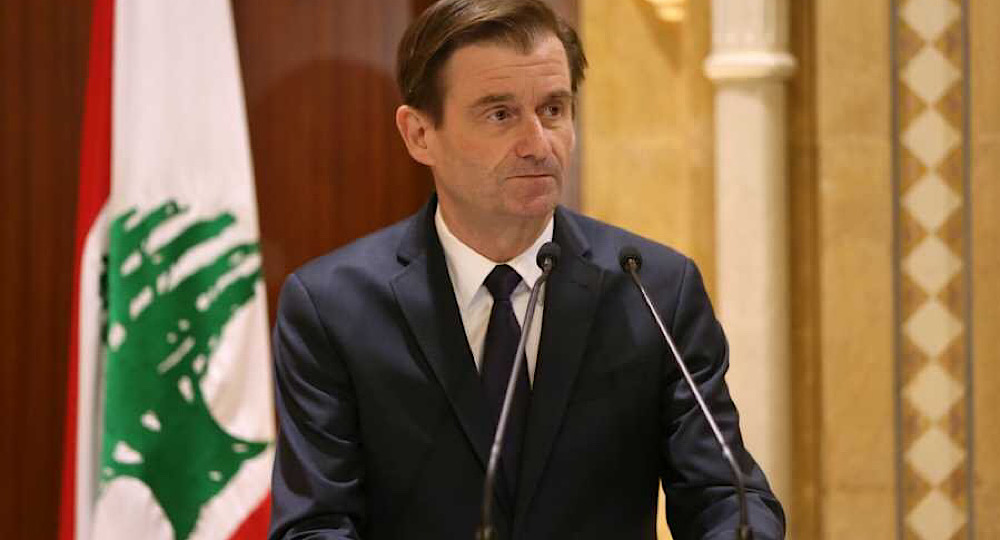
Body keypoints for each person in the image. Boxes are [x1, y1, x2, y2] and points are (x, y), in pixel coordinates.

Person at [267, 0, 786, 538]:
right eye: (500, 114)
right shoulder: (332, 308)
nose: (539, 144)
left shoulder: (653, 289)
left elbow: (725, 495)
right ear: (419, 134)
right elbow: (316, 525)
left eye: (553, 109)